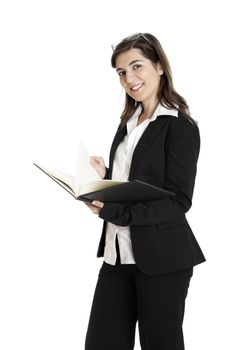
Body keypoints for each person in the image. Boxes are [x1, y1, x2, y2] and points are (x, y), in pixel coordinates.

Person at [84, 33, 206, 350]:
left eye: (137, 66)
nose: (129, 78)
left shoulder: (179, 126)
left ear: (159, 67)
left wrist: (114, 212)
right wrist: (104, 179)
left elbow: (179, 200)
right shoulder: (128, 122)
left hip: (163, 258)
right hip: (117, 258)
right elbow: (136, 184)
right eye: (122, 72)